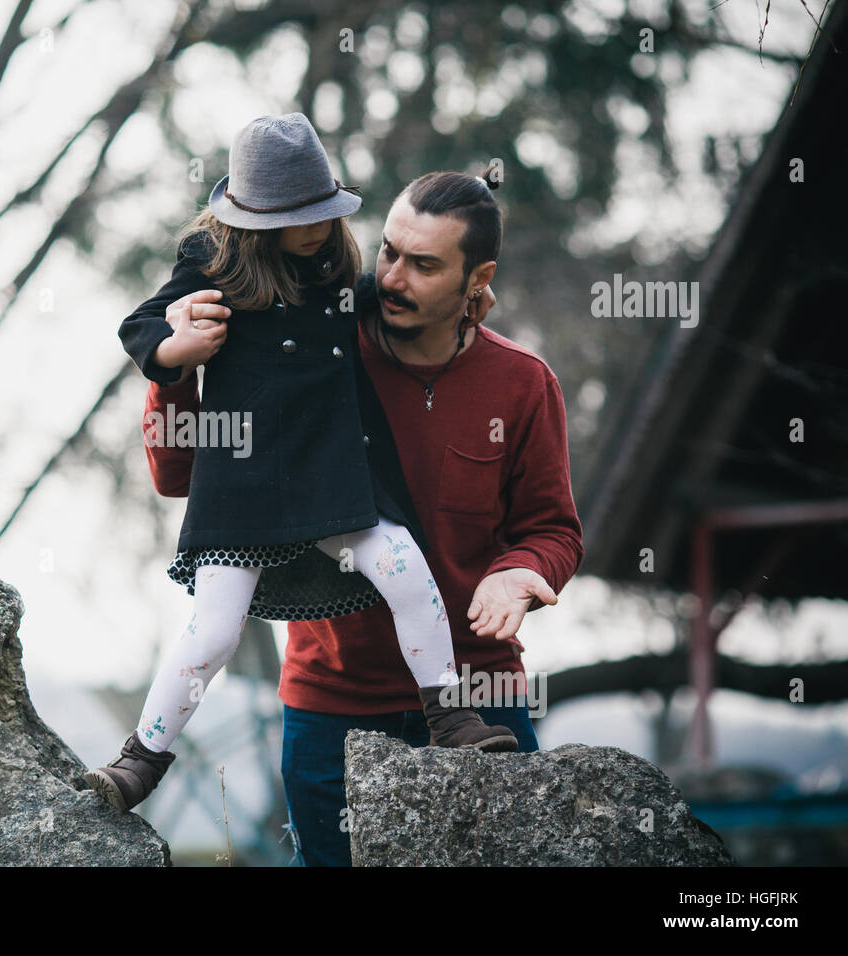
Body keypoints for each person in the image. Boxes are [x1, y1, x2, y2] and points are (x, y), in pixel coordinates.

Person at [142, 167, 585, 864]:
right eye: (388, 252)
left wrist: (520, 571)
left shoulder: (523, 384)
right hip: (330, 707)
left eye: (426, 264)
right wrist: (172, 366)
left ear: (480, 277)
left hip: (478, 695)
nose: (395, 277)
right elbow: (179, 475)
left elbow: (552, 529)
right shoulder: (318, 340)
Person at [84, 114, 517, 814]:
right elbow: (141, 326)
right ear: (254, 219)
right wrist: (174, 351)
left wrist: (455, 307)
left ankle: (451, 716)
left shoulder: (336, 264)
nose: (319, 226)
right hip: (242, 480)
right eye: (300, 216)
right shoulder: (212, 262)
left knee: (406, 569)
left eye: (326, 210)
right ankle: (139, 761)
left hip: (335, 470)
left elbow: (375, 304)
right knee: (214, 629)